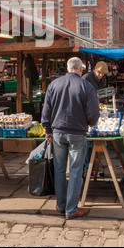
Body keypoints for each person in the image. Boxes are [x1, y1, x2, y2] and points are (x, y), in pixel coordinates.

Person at [41, 57, 100, 220]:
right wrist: (90, 123)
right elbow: (94, 112)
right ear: (80, 69)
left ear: (68, 68)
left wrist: (47, 129)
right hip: (77, 133)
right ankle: (71, 209)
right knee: (75, 170)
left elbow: (46, 110)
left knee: (59, 169)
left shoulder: (54, 84)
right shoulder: (86, 86)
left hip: (58, 132)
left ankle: (61, 205)